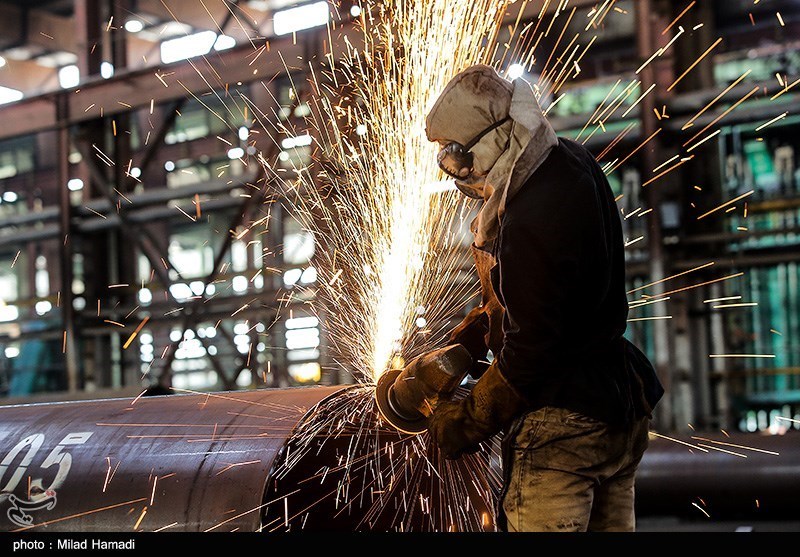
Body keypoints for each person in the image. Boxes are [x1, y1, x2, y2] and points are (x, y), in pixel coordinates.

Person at [423, 64, 664, 532]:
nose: (461, 175)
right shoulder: (573, 162)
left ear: (493, 139)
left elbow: (532, 352)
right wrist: (479, 331)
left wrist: (470, 419)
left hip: (564, 428)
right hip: (619, 410)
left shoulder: (530, 214)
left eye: (458, 160)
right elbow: (554, 295)